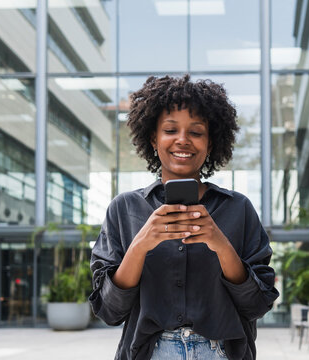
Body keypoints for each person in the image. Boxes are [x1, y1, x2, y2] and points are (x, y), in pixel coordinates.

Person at [89, 75, 279, 360]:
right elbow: (109, 310)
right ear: (153, 137)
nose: (183, 140)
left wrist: (221, 244)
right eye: (170, 129)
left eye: (196, 132)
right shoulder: (124, 209)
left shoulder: (238, 209)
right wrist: (140, 245)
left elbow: (257, 304)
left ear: (210, 143)